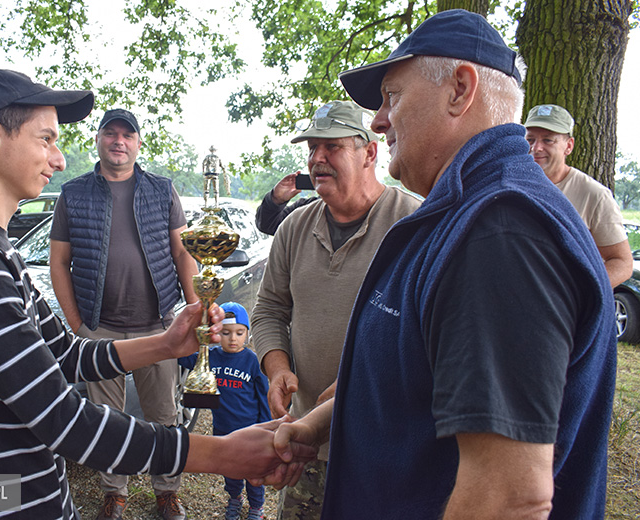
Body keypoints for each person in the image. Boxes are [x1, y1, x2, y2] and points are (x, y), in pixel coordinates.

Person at [0, 68, 316, 520]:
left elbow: (68, 355)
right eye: (46, 139)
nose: (58, 158)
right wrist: (222, 454)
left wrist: (166, 343)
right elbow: (62, 419)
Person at [269, 10, 617, 519]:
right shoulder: (463, 214)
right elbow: (419, 370)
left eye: (393, 96)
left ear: (460, 88)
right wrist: (319, 424)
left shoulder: (499, 232)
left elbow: (509, 497)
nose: (379, 121)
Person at [251, 99, 422, 519]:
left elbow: (424, 337)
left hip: (384, 444)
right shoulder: (294, 226)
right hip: (306, 441)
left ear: (370, 153)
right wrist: (277, 368)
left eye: (332, 147)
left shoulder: (413, 224)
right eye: (312, 148)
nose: (317, 159)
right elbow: (269, 308)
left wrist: (357, 381)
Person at [49, 108, 199, 520]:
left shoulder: (161, 189)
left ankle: (167, 492)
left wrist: (193, 305)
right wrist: (78, 325)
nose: (119, 141)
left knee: (164, 415)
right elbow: (58, 263)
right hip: (101, 331)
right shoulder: (73, 193)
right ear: (98, 140)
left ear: (137, 142)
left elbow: (181, 251)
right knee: (106, 421)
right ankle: (114, 493)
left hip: (158, 328)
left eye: (127, 135)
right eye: (110, 133)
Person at [178, 302, 271, 520]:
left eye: (239, 333)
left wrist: (267, 426)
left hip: (251, 428)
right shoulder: (211, 356)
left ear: (247, 333)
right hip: (223, 428)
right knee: (230, 469)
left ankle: (257, 506)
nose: (233, 339)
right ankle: (234, 499)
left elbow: (263, 396)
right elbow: (183, 358)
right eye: (226, 333)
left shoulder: (253, 361)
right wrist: (196, 333)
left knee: (254, 471)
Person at [524, 103, 632, 287]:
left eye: (548, 140)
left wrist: (581, 294)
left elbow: (622, 263)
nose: (536, 148)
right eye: (530, 139)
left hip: (564, 312)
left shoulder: (594, 195)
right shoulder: (510, 186)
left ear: (569, 146)